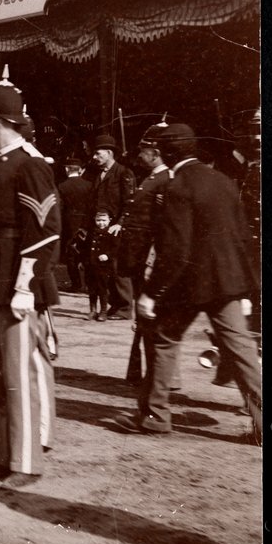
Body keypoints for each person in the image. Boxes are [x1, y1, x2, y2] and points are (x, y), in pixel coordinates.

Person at [125, 124, 262, 444]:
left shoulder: (176, 187)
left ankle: (156, 415)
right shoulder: (224, 181)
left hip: (188, 285)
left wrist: (152, 293)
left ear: (169, 153)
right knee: (241, 350)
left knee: (164, 340)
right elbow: (241, 236)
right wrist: (245, 289)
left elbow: (176, 250)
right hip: (227, 282)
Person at [0, 69, 59, 488]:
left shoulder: (29, 164)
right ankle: (3, 454)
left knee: (18, 373)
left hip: (14, 281)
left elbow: (45, 230)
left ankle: (25, 463)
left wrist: (26, 286)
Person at [117, 124, 173, 385]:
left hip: (147, 260)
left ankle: (156, 377)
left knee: (151, 321)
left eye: (144, 150)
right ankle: (147, 374)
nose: (140, 155)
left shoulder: (164, 180)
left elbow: (161, 226)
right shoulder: (152, 178)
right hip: (138, 259)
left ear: (156, 152)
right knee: (144, 321)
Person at [89, 134, 136, 319]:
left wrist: (120, 223)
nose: (94, 157)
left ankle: (125, 308)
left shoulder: (124, 173)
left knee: (118, 268)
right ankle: (115, 305)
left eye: (98, 153)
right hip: (102, 228)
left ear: (109, 153)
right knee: (104, 268)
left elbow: (130, 202)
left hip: (117, 229)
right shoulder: (98, 174)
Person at [56, 158, 92, 293]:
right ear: (81, 170)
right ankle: (89, 285)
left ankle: (76, 284)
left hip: (69, 224)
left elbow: (60, 208)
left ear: (66, 169)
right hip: (87, 223)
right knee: (87, 253)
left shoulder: (62, 186)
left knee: (71, 255)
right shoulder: (89, 185)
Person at [85, 211, 118, 321]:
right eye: (98, 220)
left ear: (109, 221)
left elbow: (116, 248)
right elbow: (84, 248)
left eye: (104, 220)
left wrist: (107, 255)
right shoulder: (91, 232)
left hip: (103, 267)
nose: (101, 223)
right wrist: (82, 261)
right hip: (90, 265)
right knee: (92, 289)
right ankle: (93, 310)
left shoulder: (111, 233)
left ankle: (103, 311)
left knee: (102, 289)